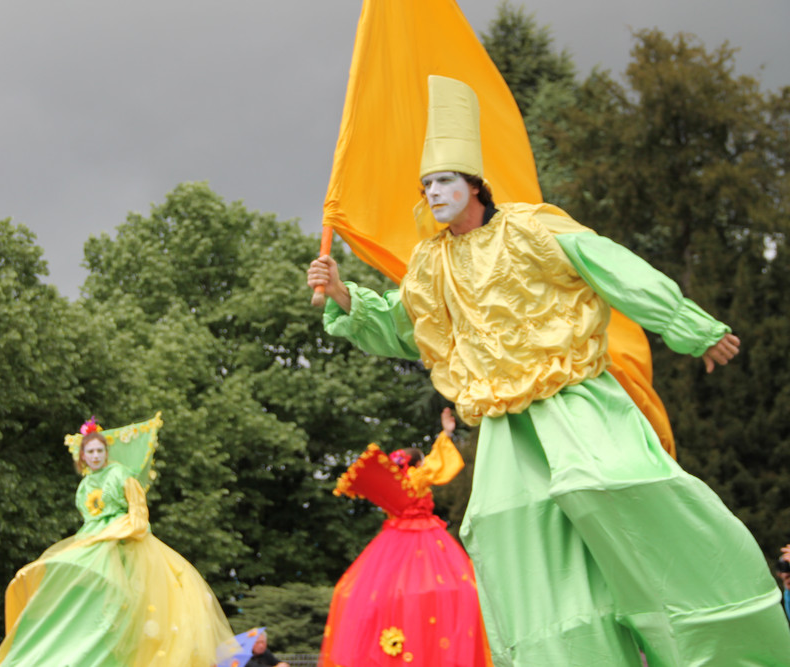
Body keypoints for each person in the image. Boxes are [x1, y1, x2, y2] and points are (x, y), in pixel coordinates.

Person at [306, 75, 790, 666]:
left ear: (473, 186)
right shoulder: (431, 262)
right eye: (426, 184)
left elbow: (612, 267)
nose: (433, 193)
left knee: (613, 486)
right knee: (516, 539)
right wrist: (344, 294)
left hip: (575, 402)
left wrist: (692, 327)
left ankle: (725, 645)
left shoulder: (533, 228)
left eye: (444, 181)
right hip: (509, 430)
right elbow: (408, 329)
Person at [0, 415, 235, 667]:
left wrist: (120, 531)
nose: (96, 455)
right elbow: (89, 520)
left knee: (130, 601)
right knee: (75, 592)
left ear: (106, 453)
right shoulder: (85, 485)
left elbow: (139, 514)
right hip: (93, 543)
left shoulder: (121, 475)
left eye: (99, 450)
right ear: (83, 456)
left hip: (125, 542)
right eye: (90, 451)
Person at [320, 408, 490, 667]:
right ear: (417, 463)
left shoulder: (395, 483)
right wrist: (446, 433)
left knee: (379, 592)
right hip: (425, 538)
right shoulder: (418, 477)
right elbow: (441, 465)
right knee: (459, 589)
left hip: (393, 541)